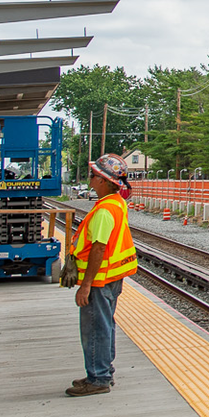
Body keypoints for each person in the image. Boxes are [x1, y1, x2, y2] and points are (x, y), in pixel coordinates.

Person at [68, 153, 138, 396]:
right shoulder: (117, 204)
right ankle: (103, 372)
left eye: (93, 175)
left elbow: (98, 248)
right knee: (105, 325)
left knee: (96, 328)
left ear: (102, 181)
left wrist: (85, 285)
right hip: (111, 278)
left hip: (98, 280)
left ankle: (98, 378)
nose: (90, 179)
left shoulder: (104, 211)